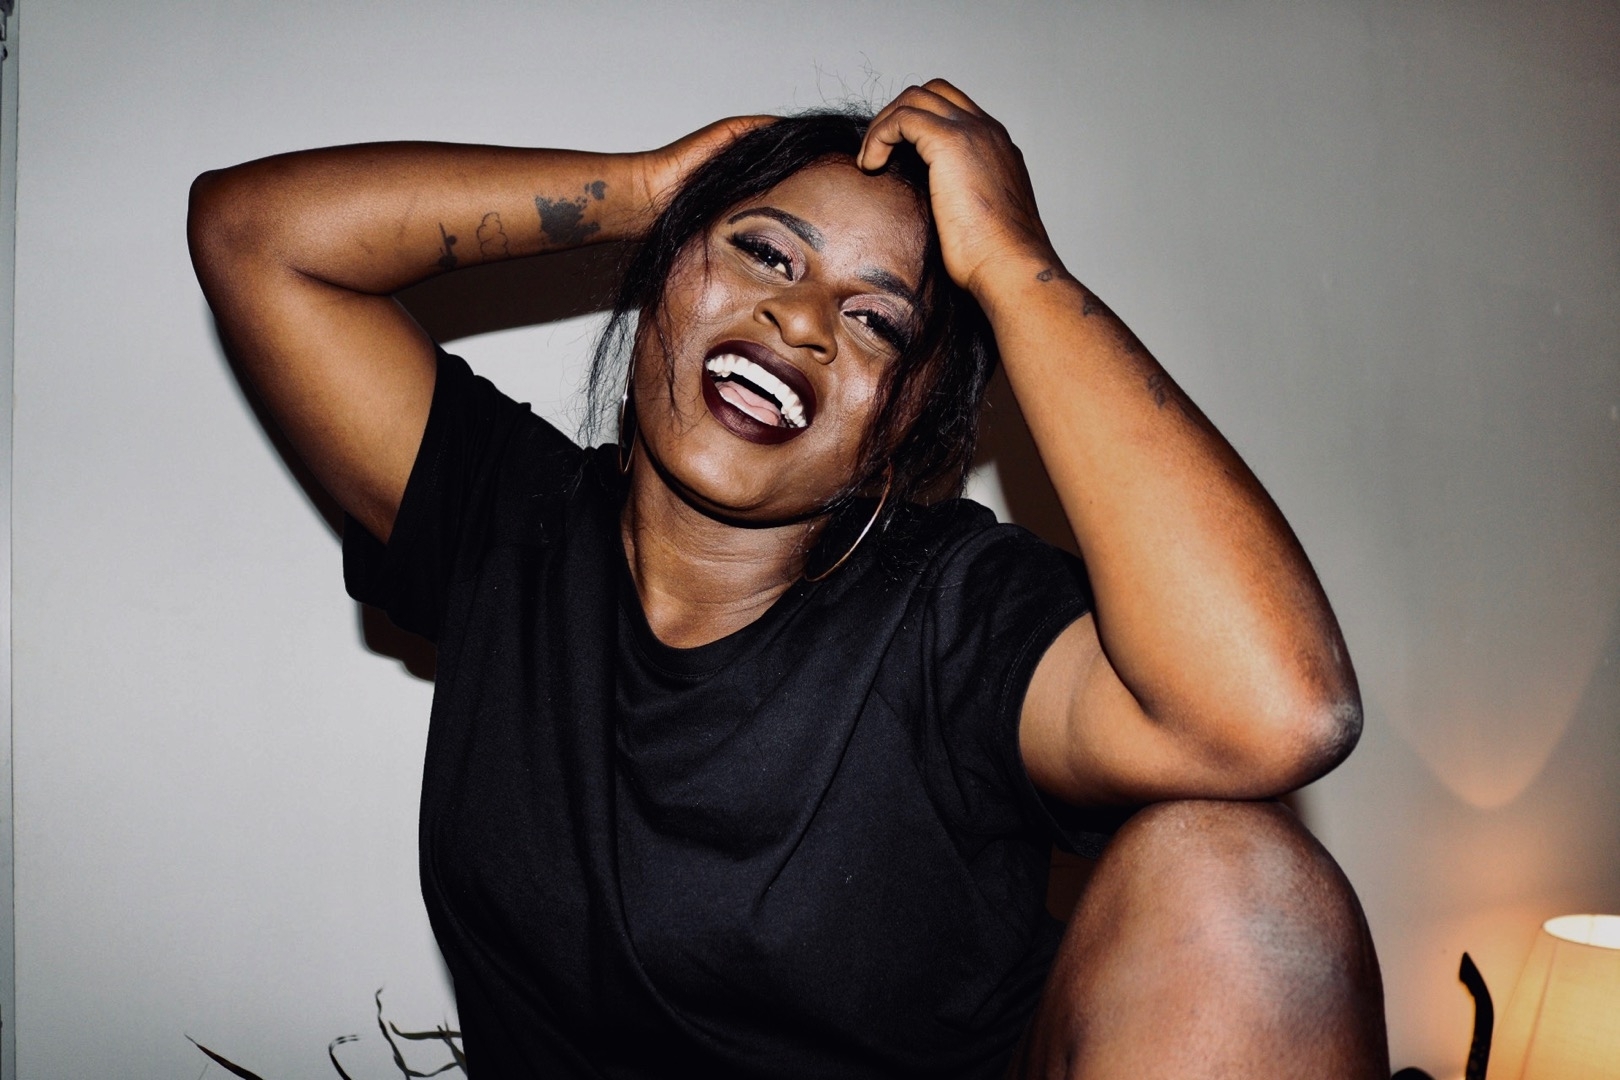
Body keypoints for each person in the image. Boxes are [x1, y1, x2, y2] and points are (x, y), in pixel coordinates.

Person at [187, 80, 1389, 1078]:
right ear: (666, 275)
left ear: (905, 429)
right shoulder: (510, 523)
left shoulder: (952, 615)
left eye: (877, 323)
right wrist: (656, 188)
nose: (803, 320)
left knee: (1242, 883)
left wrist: (1015, 264)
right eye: (764, 251)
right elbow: (255, 236)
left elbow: (1277, 709)